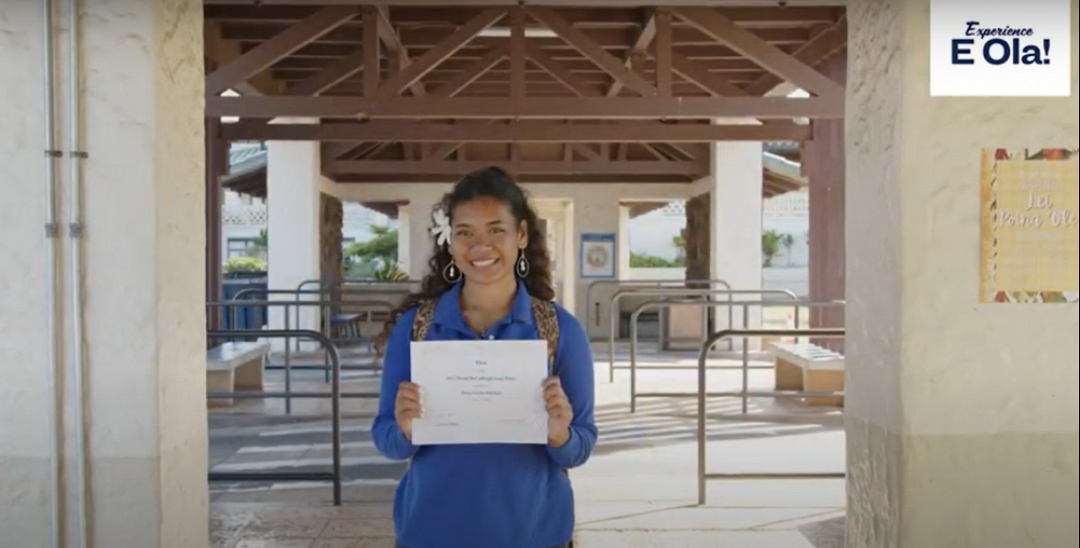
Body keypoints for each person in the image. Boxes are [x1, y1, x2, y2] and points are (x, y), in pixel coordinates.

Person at [371, 166, 597, 548]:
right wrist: (405, 428)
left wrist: (560, 433)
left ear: (521, 235)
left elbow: (581, 445)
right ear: (450, 240)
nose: (481, 246)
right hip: (430, 533)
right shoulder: (416, 328)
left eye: (496, 230)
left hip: (534, 536)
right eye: (465, 232)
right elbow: (387, 440)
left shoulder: (559, 331)